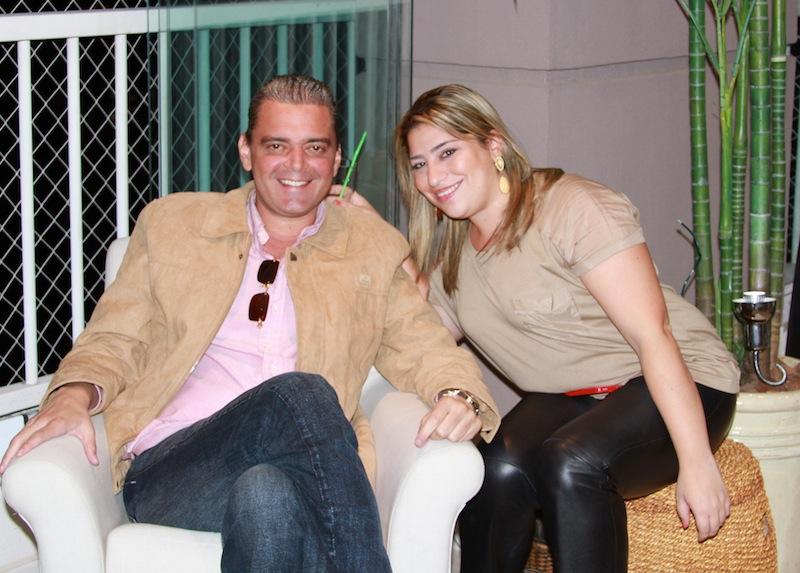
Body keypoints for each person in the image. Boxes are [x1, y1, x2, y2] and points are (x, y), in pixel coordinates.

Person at [0, 75, 500, 573]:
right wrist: (73, 393)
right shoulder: (174, 226)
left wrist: (460, 395)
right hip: (176, 470)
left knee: (266, 496)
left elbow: (425, 346)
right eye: (276, 145)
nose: (297, 165)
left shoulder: (371, 248)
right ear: (246, 151)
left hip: (300, 476)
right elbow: (114, 337)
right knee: (299, 392)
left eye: (315, 147)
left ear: (336, 159)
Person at [391, 84, 740, 573]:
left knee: (571, 462)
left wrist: (697, 462)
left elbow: (654, 336)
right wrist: (380, 253)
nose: (433, 176)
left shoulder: (571, 207)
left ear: (493, 145)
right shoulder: (452, 251)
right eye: (419, 164)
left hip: (684, 377)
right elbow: (419, 336)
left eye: (448, 152)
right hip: (577, 395)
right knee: (494, 468)